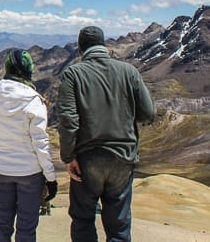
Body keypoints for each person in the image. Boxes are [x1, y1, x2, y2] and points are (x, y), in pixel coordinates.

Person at [57, 26, 155, 242]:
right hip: (123, 158)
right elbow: (148, 113)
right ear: (104, 45)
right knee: (118, 224)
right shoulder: (129, 71)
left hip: (86, 159)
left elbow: (68, 120)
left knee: (83, 219)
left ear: (81, 48)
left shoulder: (73, 73)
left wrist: (68, 157)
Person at [0, 49, 58, 242]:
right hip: (30, 173)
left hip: (2, 169)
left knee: (2, 224)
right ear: (27, 70)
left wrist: (4, 137)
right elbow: (40, 143)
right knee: (26, 227)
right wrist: (50, 177)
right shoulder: (34, 100)